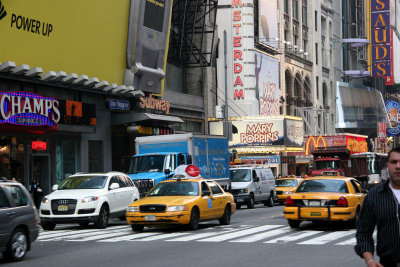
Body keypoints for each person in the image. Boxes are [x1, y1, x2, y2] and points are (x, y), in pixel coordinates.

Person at [355, 147, 400, 267]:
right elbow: (363, 232)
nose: (398, 166)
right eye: (394, 162)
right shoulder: (374, 196)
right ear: (387, 165)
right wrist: (370, 260)